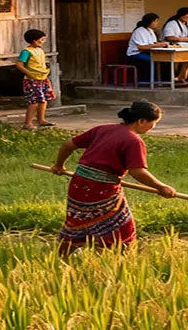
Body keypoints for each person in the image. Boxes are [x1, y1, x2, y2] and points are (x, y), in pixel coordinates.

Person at [50, 101, 176, 256]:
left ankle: (62, 256)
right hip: (101, 189)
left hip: (78, 184)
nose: (153, 127)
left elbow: (68, 145)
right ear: (141, 121)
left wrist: (58, 166)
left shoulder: (103, 129)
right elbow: (137, 172)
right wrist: (161, 187)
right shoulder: (133, 141)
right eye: (153, 123)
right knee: (122, 227)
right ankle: (119, 262)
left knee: (77, 222)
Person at [17, 29, 55, 130]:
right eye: (41, 40)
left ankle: (41, 119)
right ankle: (28, 123)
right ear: (34, 41)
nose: (42, 42)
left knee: (44, 100)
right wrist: (29, 73)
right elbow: (19, 64)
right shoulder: (26, 52)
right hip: (32, 80)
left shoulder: (40, 50)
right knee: (34, 101)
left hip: (42, 78)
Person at [162, 7, 188, 86]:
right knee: (185, 59)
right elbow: (170, 37)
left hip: (185, 46)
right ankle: (179, 77)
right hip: (171, 47)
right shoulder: (172, 24)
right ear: (181, 15)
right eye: (187, 17)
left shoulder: (187, 24)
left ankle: (187, 76)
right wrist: (186, 39)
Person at [126, 13, 169, 85]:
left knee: (164, 61)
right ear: (150, 21)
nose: (157, 23)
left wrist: (161, 44)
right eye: (155, 21)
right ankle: (149, 80)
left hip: (147, 52)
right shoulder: (139, 31)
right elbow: (141, 47)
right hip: (136, 54)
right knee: (152, 60)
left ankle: (161, 80)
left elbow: (153, 43)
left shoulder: (150, 30)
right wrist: (158, 45)